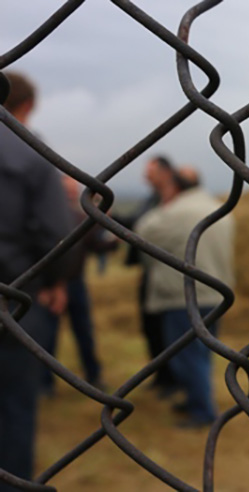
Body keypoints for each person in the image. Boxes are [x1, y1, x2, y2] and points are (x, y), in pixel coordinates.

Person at [0, 71, 72, 486]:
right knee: (13, 406)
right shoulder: (31, 152)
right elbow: (54, 232)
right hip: (15, 297)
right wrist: (56, 281)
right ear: (27, 106)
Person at [135, 165, 233, 428]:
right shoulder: (216, 207)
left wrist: (165, 202)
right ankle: (195, 399)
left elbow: (142, 231)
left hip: (183, 295)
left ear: (174, 186)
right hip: (215, 293)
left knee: (187, 355)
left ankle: (202, 411)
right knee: (203, 352)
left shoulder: (175, 211)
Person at [41, 176, 117, 394]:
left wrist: (113, 237)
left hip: (76, 283)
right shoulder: (45, 218)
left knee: (84, 331)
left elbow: (97, 245)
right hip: (50, 284)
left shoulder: (82, 219)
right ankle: (45, 382)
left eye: (74, 191)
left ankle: (93, 375)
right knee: (47, 335)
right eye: (66, 190)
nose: (71, 194)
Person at [115, 156, 177, 397]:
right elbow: (136, 224)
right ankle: (161, 375)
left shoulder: (171, 199)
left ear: (165, 172)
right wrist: (111, 215)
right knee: (150, 325)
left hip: (168, 272)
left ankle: (172, 379)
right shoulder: (152, 199)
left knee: (166, 327)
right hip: (150, 271)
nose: (146, 177)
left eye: (150, 172)